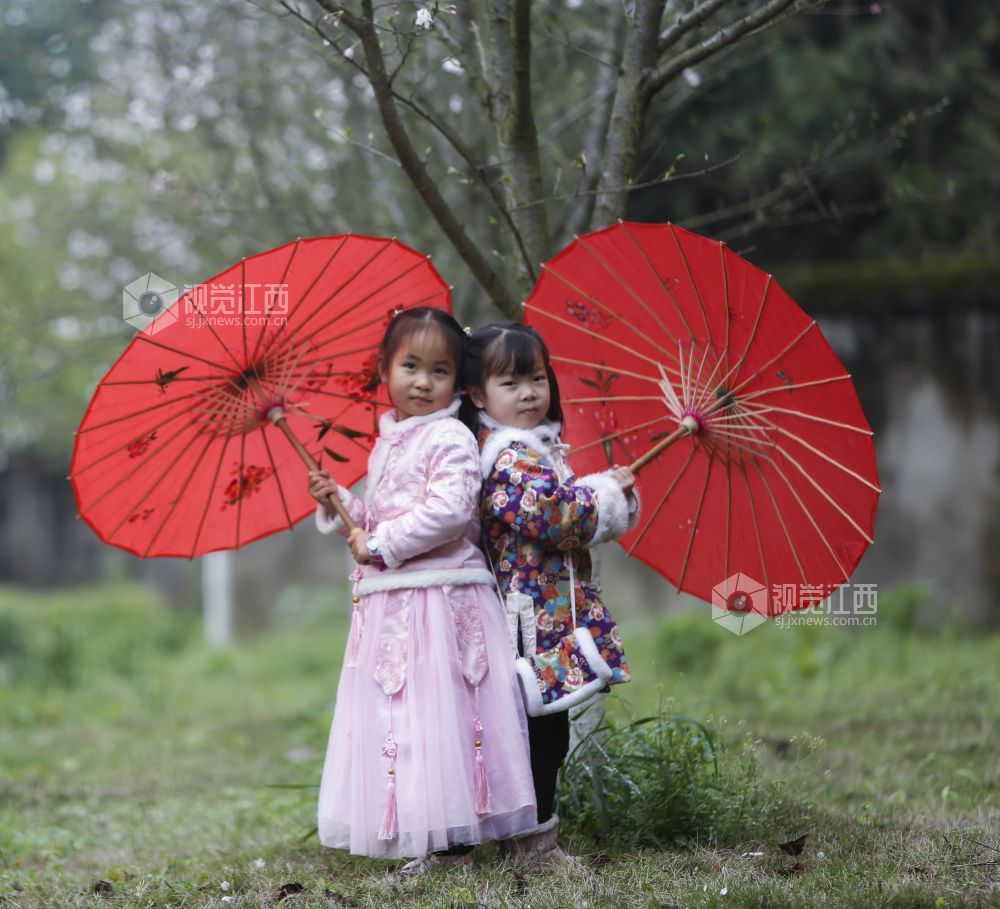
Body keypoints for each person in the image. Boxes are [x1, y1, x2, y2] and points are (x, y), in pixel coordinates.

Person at [308, 307, 536, 873]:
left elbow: (449, 512)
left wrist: (380, 543)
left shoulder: (450, 436)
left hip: (442, 602)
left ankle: (453, 838)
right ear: (385, 370)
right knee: (403, 720)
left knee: (445, 718)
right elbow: (376, 520)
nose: (422, 382)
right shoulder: (387, 443)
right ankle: (423, 831)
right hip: (393, 604)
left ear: (458, 383)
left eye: (439, 370)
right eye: (409, 366)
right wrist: (339, 501)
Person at [459, 321, 638, 864]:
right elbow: (551, 515)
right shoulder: (506, 458)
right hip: (526, 623)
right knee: (537, 733)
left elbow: (560, 505)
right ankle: (529, 842)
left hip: (548, 615)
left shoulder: (535, 450)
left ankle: (530, 838)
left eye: (537, 378)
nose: (529, 393)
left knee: (546, 729)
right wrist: (605, 494)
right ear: (476, 394)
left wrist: (602, 490)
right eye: (510, 383)